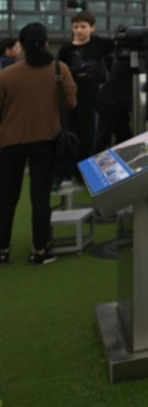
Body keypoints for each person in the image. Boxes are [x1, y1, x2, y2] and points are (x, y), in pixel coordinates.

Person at [0, 23, 77, 266]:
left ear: (20, 46)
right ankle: (39, 250)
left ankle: (2, 250)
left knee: (6, 198)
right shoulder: (59, 69)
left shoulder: (6, 74)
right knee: (40, 197)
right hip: (46, 140)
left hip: (9, 141)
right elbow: (71, 103)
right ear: (46, 43)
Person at [57, 11, 115, 171]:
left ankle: (83, 170)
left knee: (87, 133)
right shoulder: (65, 50)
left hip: (90, 98)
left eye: (83, 26)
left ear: (92, 28)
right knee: (67, 132)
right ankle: (66, 169)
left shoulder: (98, 44)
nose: (79, 30)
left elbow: (119, 44)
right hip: (68, 98)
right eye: (75, 27)